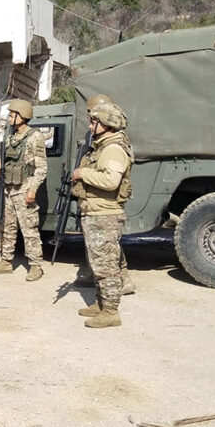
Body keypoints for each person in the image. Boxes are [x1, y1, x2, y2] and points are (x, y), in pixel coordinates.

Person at [72, 101, 134, 328]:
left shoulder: (113, 149)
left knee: (106, 266)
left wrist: (83, 173)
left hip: (104, 215)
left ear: (106, 124)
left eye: (93, 122)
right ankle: (101, 303)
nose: (90, 126)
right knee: (98, 263)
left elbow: (111, 181)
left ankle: (110, 312)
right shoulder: (102, 147)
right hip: (95, 213)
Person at [0, 99, 47, 281]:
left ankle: (36, 265)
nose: (9, 118)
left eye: (12, 115)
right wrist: (0, 162)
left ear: (22, 116)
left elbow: (41, 168)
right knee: (7, 227)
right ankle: (6, 262)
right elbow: (5, 156)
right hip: (9, 190)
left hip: (24, 189)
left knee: (29, 229)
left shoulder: (34, 137)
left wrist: (32, 189)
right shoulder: (11, 136)